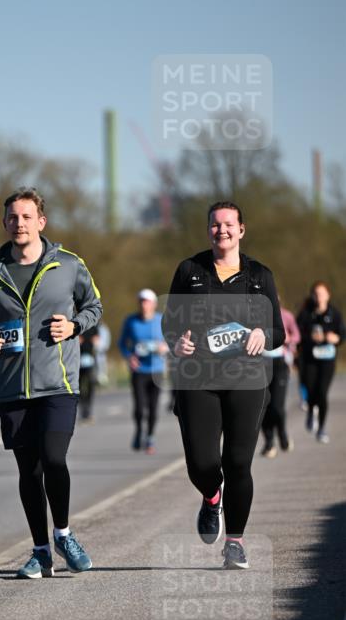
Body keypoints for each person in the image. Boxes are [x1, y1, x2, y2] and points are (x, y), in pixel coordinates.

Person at [0, 187, 102, 578]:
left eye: (26, 216)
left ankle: (62, 533)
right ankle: (40, 551)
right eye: (12, 217)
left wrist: (75, 325)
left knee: (54, 458)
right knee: (28, 471)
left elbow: (94, 306)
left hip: (58, 383)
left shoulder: (69, 264)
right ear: (5, 222)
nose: (19, 223)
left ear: (41, 222)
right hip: (12, 387)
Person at [162, 201, 284, 570]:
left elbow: (277, 330)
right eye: (216, 225)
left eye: (229, 225)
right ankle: (211, 496)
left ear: (241, 230)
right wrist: (177, 342)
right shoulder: (189, 270)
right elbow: (170, 324)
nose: (222, 231)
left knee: (237, 462)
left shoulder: (260, 275)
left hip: (246, 380)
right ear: (209, 230)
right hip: (197, 378)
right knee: (202, 463)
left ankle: (235, 542)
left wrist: (264, 333)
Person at [118, 289, 168, 454]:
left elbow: (173, 341)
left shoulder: (161, 320)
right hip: (139, 370)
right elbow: (122, 344)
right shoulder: (131, 321)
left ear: (153, 304)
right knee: (140, 407)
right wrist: (129, 357)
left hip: (157, 371)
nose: (144, 305)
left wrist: (164, 348)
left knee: (153, 408)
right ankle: (139, 430)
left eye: (147, 301)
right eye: (141, 301)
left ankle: (151, 437)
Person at [296, 282, 344, 444]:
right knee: (310, 390)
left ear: (328, 295)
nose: (319, 297)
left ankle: (322, 428)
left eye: (322, 294)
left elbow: (342, 335)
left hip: (327, 360)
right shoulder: (306, 314)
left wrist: (335, 338)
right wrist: (310, 338)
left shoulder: (334, 313)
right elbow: (297, 334)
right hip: (309, 359)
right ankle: (310, 410)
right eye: (316, 294)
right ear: (312, 296)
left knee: (322, 393)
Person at [260, 297, 300, 458]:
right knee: (263, 406)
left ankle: (282, 433)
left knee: (276, 406)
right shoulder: (253, 316)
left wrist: (289, 339)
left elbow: (297, 335)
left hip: (279, 363)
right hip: (259, 364)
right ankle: (269, 442)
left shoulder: (286, 316)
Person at [78, 325, 101, 422]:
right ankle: (83, 411)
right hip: (78, 361)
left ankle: (88, 411)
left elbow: (97, 341)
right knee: (78, 388)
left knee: (91, 386)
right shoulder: (76, 324)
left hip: (91, 360)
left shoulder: (94, 326)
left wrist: (95, 342)